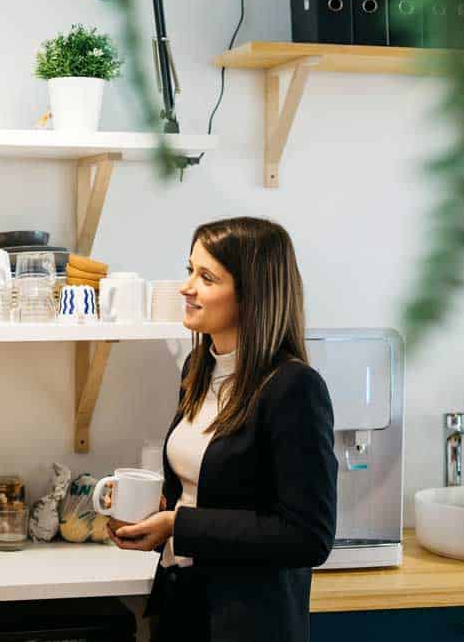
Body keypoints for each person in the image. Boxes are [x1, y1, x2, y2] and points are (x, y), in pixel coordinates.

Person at [106, 217, 337, 642]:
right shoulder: (200, 368)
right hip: (183, 603)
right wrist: (154, 514)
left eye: (206, 277)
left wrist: (179, 524)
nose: (186, 287)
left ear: (252, 295)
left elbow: (308, 536)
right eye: (189, 269)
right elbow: (207, 489)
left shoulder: (293, 388)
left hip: (247, 622)